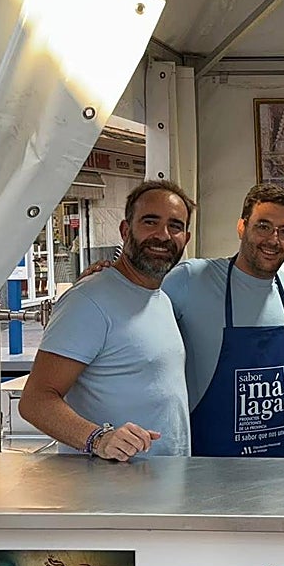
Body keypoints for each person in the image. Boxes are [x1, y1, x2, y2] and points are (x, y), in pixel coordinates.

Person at [19, 180, 195, 461]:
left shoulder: (160, 299)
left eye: (174, 226)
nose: (163, 235)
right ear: (126, 231)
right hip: (111, 487)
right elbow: (35, 400)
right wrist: (98, 438)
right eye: (150, 222)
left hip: (163, 481)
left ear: (185, 239)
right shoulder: (89, 300)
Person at [162, 183, 284, 457]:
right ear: (241, 227)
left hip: (282, 467)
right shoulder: (193, 278)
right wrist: (112, 276)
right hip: (212, 470)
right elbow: (137, 303)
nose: (273, 239)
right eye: (263, 226)